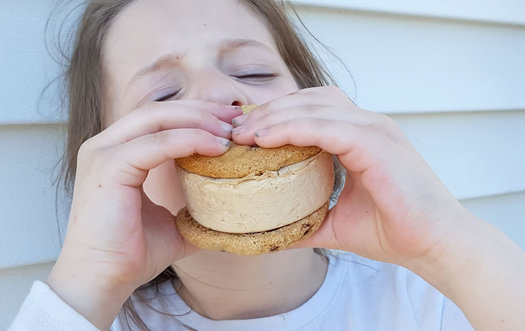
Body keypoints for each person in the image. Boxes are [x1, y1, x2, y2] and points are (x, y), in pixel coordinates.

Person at [9, 0, 525, 330]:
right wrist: (86, 286)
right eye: (164, 95)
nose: (221, 93)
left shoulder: (435, 300)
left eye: (254, 72)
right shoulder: (87, 319)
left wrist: (447, 244)